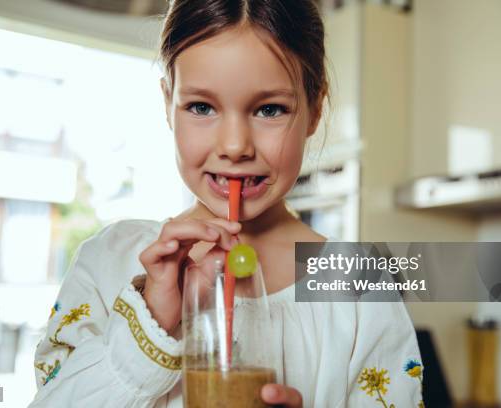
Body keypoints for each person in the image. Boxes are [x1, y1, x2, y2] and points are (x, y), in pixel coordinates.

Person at [29, 1, 424, 407]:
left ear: (315, 110)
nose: (235, 146)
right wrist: (150, 324)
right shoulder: (109, 261)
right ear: (169, 103)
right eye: (201, 107)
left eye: (270, 109)